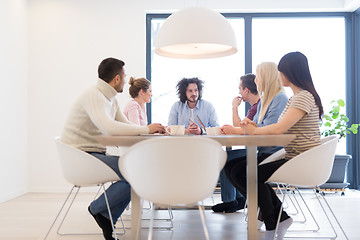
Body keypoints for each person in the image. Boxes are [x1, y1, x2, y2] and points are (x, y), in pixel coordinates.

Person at [61, 57, 165, 240]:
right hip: (80, 157)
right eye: (124, 76)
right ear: (117, 78)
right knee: (135, 171)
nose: (126, 80)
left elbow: (127, 127)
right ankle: (98, 209)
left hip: (93, 155)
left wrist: (151, 132)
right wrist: (147, 129)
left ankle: (106, 216)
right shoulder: (94, 95)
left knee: (137, 171)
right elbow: (108, 126)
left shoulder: (110, 99)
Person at [225, 52, 323, 240]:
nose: (279, 75)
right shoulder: (297, 97)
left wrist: (252, 131)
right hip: (293, 157)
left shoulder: (302, 97)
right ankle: (279, 218)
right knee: (236, 169)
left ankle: (273, 221)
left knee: (249, 173)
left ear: (289, 72)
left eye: (281, 71)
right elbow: (275, 127)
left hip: (302, 160)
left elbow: (278, 128)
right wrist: (253, 129)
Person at [219, 62, 288, 217]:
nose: (256, 81)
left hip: (274, 153)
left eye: (258, 77)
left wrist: (250, 127)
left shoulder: (279, 98)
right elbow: (254, 125)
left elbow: (268, 128)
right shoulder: (265, 101)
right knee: (231, 167)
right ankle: (268, 209)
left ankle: (269, 211)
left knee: (239, 171)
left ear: (266, 77)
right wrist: (250, 126)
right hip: (264, 152)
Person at [212, 73, 260, 213]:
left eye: (240, 88)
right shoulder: (254, 108)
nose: (238, 92)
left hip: (257, 151)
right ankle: (238, 199)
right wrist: (233, 127)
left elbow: (242, 129)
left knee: (225, 158)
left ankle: (230, 201)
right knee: (229, 155)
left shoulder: (258, 107)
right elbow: (240, 127)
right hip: (255, 149)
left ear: (246, 90)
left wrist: (234, 108)